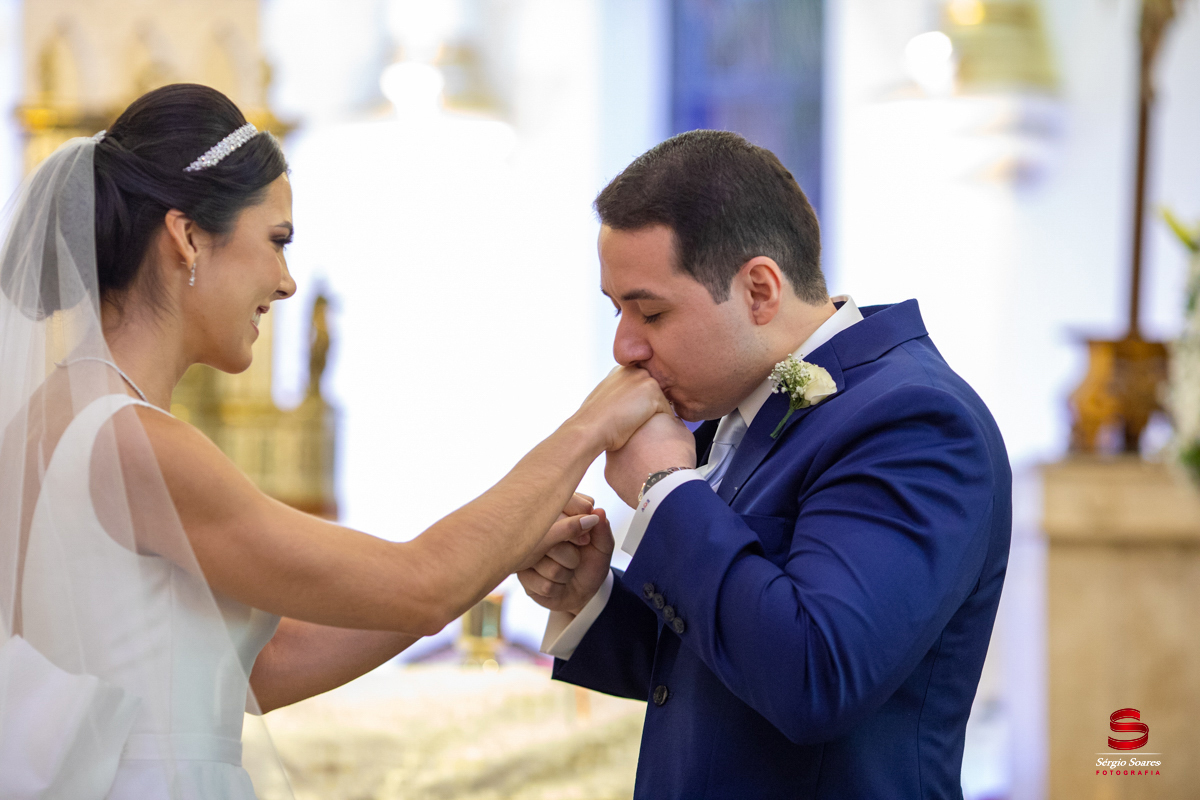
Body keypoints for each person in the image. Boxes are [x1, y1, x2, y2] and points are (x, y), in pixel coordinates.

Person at [0, 84, 668, 799]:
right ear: (188, 237)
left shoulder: (55, 419)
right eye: (277, 240)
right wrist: (589, 426)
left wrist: (507, 543)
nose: (287, 283)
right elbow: (420, 586)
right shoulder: (131, 442)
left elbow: (264, 667)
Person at [519, 130, 1013, 799]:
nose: (624, 347)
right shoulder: (742, 405)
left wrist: (665, 492)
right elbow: (719, 663)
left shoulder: (915, 422)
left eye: (651, 312)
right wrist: (589, 596)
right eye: (617, 311)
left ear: (758, 290)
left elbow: (814, 676)